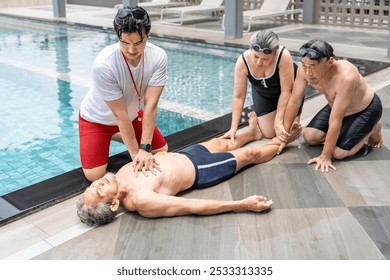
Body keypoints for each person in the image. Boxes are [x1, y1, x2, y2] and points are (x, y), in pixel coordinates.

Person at [76, 112, 302, 226]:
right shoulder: (141, 200)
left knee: (224, 141)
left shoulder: (119, 176)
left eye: (93, 186)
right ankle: (282, 142)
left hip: (187, 154)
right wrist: (243, 204)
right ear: (114, 203)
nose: (97, 183)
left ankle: (251, 134)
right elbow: (192, 206)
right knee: (249, 155)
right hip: (202, 169)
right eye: (97, 191)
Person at [78, 6, 168, 182]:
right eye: (125, 43)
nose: (132, 50)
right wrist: (137, 155)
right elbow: (119, 114)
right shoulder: (104, 64)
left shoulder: (159, 57)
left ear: (147, 36)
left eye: (138, 42)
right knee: (94, 175)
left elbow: (151, 105)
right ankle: (107, 134)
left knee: (161, 151)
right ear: (118, 36)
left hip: (132, 116)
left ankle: (117, 135)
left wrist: (145, 148)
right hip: (97, 119)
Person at [277, 39, 383, 172]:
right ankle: (348, 131)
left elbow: (335, 120)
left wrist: (325, 156)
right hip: (337, 106)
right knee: (310, 136)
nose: (308, 72)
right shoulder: (304, 70)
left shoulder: (346, 77)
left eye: (313, 66)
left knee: (338, 153)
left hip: (366, 109)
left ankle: (373, 128)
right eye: (305, 65)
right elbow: (294, 101)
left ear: (330, 62)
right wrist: (283, 138)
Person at [221, 30, 303, 144]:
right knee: (269, 134)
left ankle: (285, 117)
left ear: (275, 53)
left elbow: (286, 91)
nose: (259, 62)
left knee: (285, 131)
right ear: (251, 49)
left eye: (265, 59)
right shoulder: (243, 61)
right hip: (263, 94)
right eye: (255, 56)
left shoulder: (283, 55)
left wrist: (278, 122)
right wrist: (233, 128)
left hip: (290, 93)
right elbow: (238, 96)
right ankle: (260, 123)